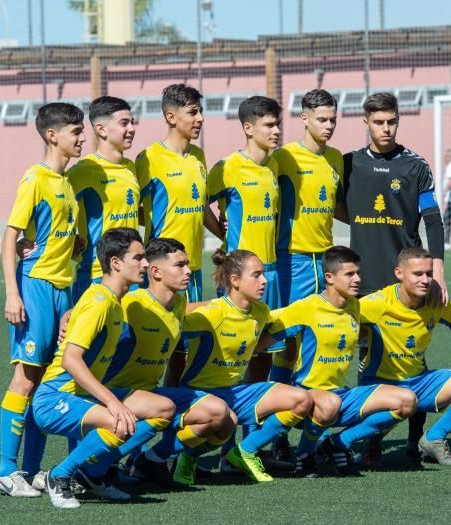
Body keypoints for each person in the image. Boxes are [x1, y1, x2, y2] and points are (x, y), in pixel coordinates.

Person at [338, 92, 447, 464]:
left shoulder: (415, 166)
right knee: (369, 364)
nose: (386, 128)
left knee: (412, 360)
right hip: (364, 281)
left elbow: (432, 219)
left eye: (392, 122)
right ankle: (371, 443)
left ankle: (416, 441)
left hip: (407, 284)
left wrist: (437, 270)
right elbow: (338, 206)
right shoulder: (349, 164)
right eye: (379, 122)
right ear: (365, 122)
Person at [32, 228, 175, 508]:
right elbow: (70, 360)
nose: (146, 264)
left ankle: (93, 475)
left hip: (84, 396)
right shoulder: (99, 302)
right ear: (116, 263)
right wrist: (113, 402)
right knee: (119, 422)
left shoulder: (115, 301)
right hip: (54, 398)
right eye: (139, 257)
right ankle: (58, 475)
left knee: (164, 408)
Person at [259, 246, 417, 478]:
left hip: (341, 396)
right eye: (350, 274)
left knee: (406, 401)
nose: (357, 279)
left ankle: (337, 442)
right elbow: (264, 331)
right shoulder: (306, 308)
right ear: (329, 278)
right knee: (330, 403)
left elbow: (391, 303)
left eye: (358, 273)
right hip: (307, 398)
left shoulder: (355, 306)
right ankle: (305, 453)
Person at [0, 103, 83, 497]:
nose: (82, 138)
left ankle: (30, 471)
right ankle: (6, 469)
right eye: (76, 131)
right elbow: (10, 236)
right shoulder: (36, 178)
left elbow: (64, 238)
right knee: (26, 378)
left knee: (50, 381)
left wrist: (75, 246)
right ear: (53, 135)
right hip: (36, 288)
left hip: (63, 290)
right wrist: (13, 293)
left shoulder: (67, 184)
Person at [99, 238, 236, 488]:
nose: (188, 271)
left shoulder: (179, 303)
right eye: (180, 265)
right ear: (156, 272)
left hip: (152, 394)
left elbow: (190, 310)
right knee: (166, 408)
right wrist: (68, 316)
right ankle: (97, 465)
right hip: (116, 395)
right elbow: (94, 307)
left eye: (188, 265)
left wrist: (230, 305)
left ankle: (150, 460)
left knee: (223, 417)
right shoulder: (134, 302)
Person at [167, 249, 313, 483]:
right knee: (226, 419)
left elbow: (259, 340)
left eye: (263, 274)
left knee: (301, 400)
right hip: (199, 396)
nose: (264, 280)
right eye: (256, 275)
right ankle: (185, 457)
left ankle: (243, 451)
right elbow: (169, 323)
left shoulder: (261, 312)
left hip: (235, 393)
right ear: (234, 280)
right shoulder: (211, 314)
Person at [358, 246, 451, 466]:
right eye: (417, 274)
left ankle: (433, 438)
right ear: (399, 274)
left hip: (419, 382)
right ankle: (371, 444)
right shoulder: (377, 303)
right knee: (390, 408)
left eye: (429, 274)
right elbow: (340, 318)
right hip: (381, 387)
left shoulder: (435, 300)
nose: (425, 280)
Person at [204, 96, 283, 464]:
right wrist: (218, 232)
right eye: (269, 125)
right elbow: (196, 202)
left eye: (277, 124)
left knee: (262, 359)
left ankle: (248, 446)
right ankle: (216, 444)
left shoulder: (272, 169)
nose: (277, 131)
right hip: (237, 279)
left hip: (267, 275)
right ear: (248, 128)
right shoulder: (228, 167)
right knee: (228, 362)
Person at [268, 88, 345, 461]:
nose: (329, 126)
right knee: (286, 346)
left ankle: (312, 429)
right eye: (322, 119)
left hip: (326, 262)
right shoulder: (283, 158)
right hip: (292, 261)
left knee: (320, 343)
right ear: (304, 119)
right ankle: (274, 434)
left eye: (333, 119)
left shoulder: (335, 160)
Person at [136, 84, 221, 302]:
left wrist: (226, 237)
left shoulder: (198, 156)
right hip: (162, 270)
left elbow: (200, 207)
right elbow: (129, 208)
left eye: (200, 111)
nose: (200, 118)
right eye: (193, 112)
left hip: (193, 267)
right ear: (171, 117)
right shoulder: (149, 158)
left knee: (189, 332)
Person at [68, 96, 141, 302]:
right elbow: (51, 206)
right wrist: (25, 240)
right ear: (101, 129)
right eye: (124, 123)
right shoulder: (84, 171)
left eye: (132, 122)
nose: (132, 129)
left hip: (132, 274)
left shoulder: (130, 167)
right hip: (97, 275)